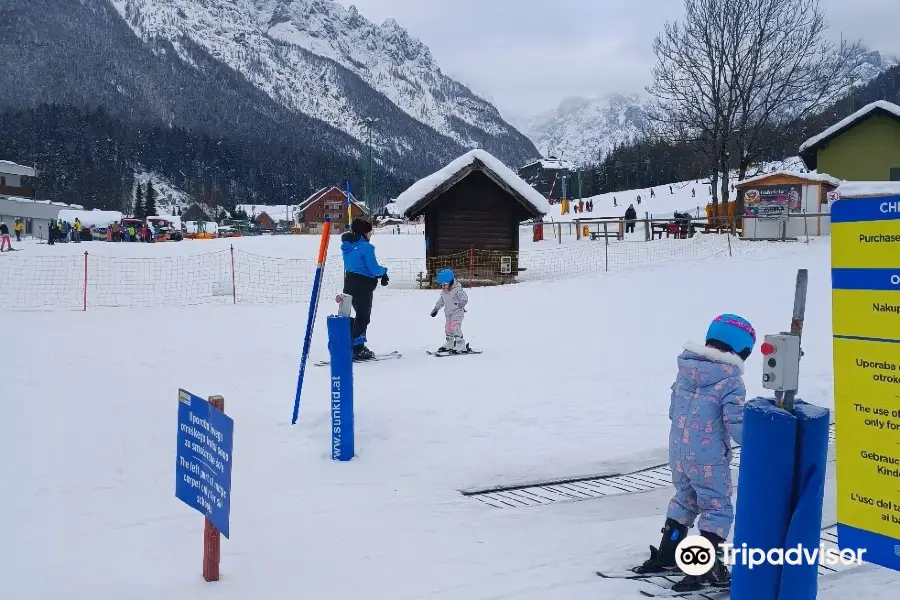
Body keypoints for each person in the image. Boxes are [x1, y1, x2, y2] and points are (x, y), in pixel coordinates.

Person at [637, 314, 753, 592]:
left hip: (678, 452)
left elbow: (672, 411)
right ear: (741, 349)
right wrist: (760, 441)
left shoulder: (686, 369)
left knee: (684, 500)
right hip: (709, 458)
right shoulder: (730, 380)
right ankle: (703, 569)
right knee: (716, 507)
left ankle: (667, 555)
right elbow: (738, 428)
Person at [341, 218, 388, 360]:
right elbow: (373, 269)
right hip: (363, 286)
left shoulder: (347, 247)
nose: (371, 234)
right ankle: (358, 348)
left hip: (349, 284)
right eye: (370, 231)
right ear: (364, 232)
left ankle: (348, 343)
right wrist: (384, 272)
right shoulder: (366, 248)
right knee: (363, 317)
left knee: (350, 315)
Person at [430, 269, 469, 353]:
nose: (443, 286)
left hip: (457, 311)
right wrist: (436, 309)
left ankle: (460, 343)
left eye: (445, 284)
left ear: (450, 282)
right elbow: (441, 301)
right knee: (448, 328)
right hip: (448, 313)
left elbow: (464, 297)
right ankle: (450, 343)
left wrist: (462, 303)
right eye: (441, 285)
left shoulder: (457, 289)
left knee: (455, 326)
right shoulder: (444, 292)